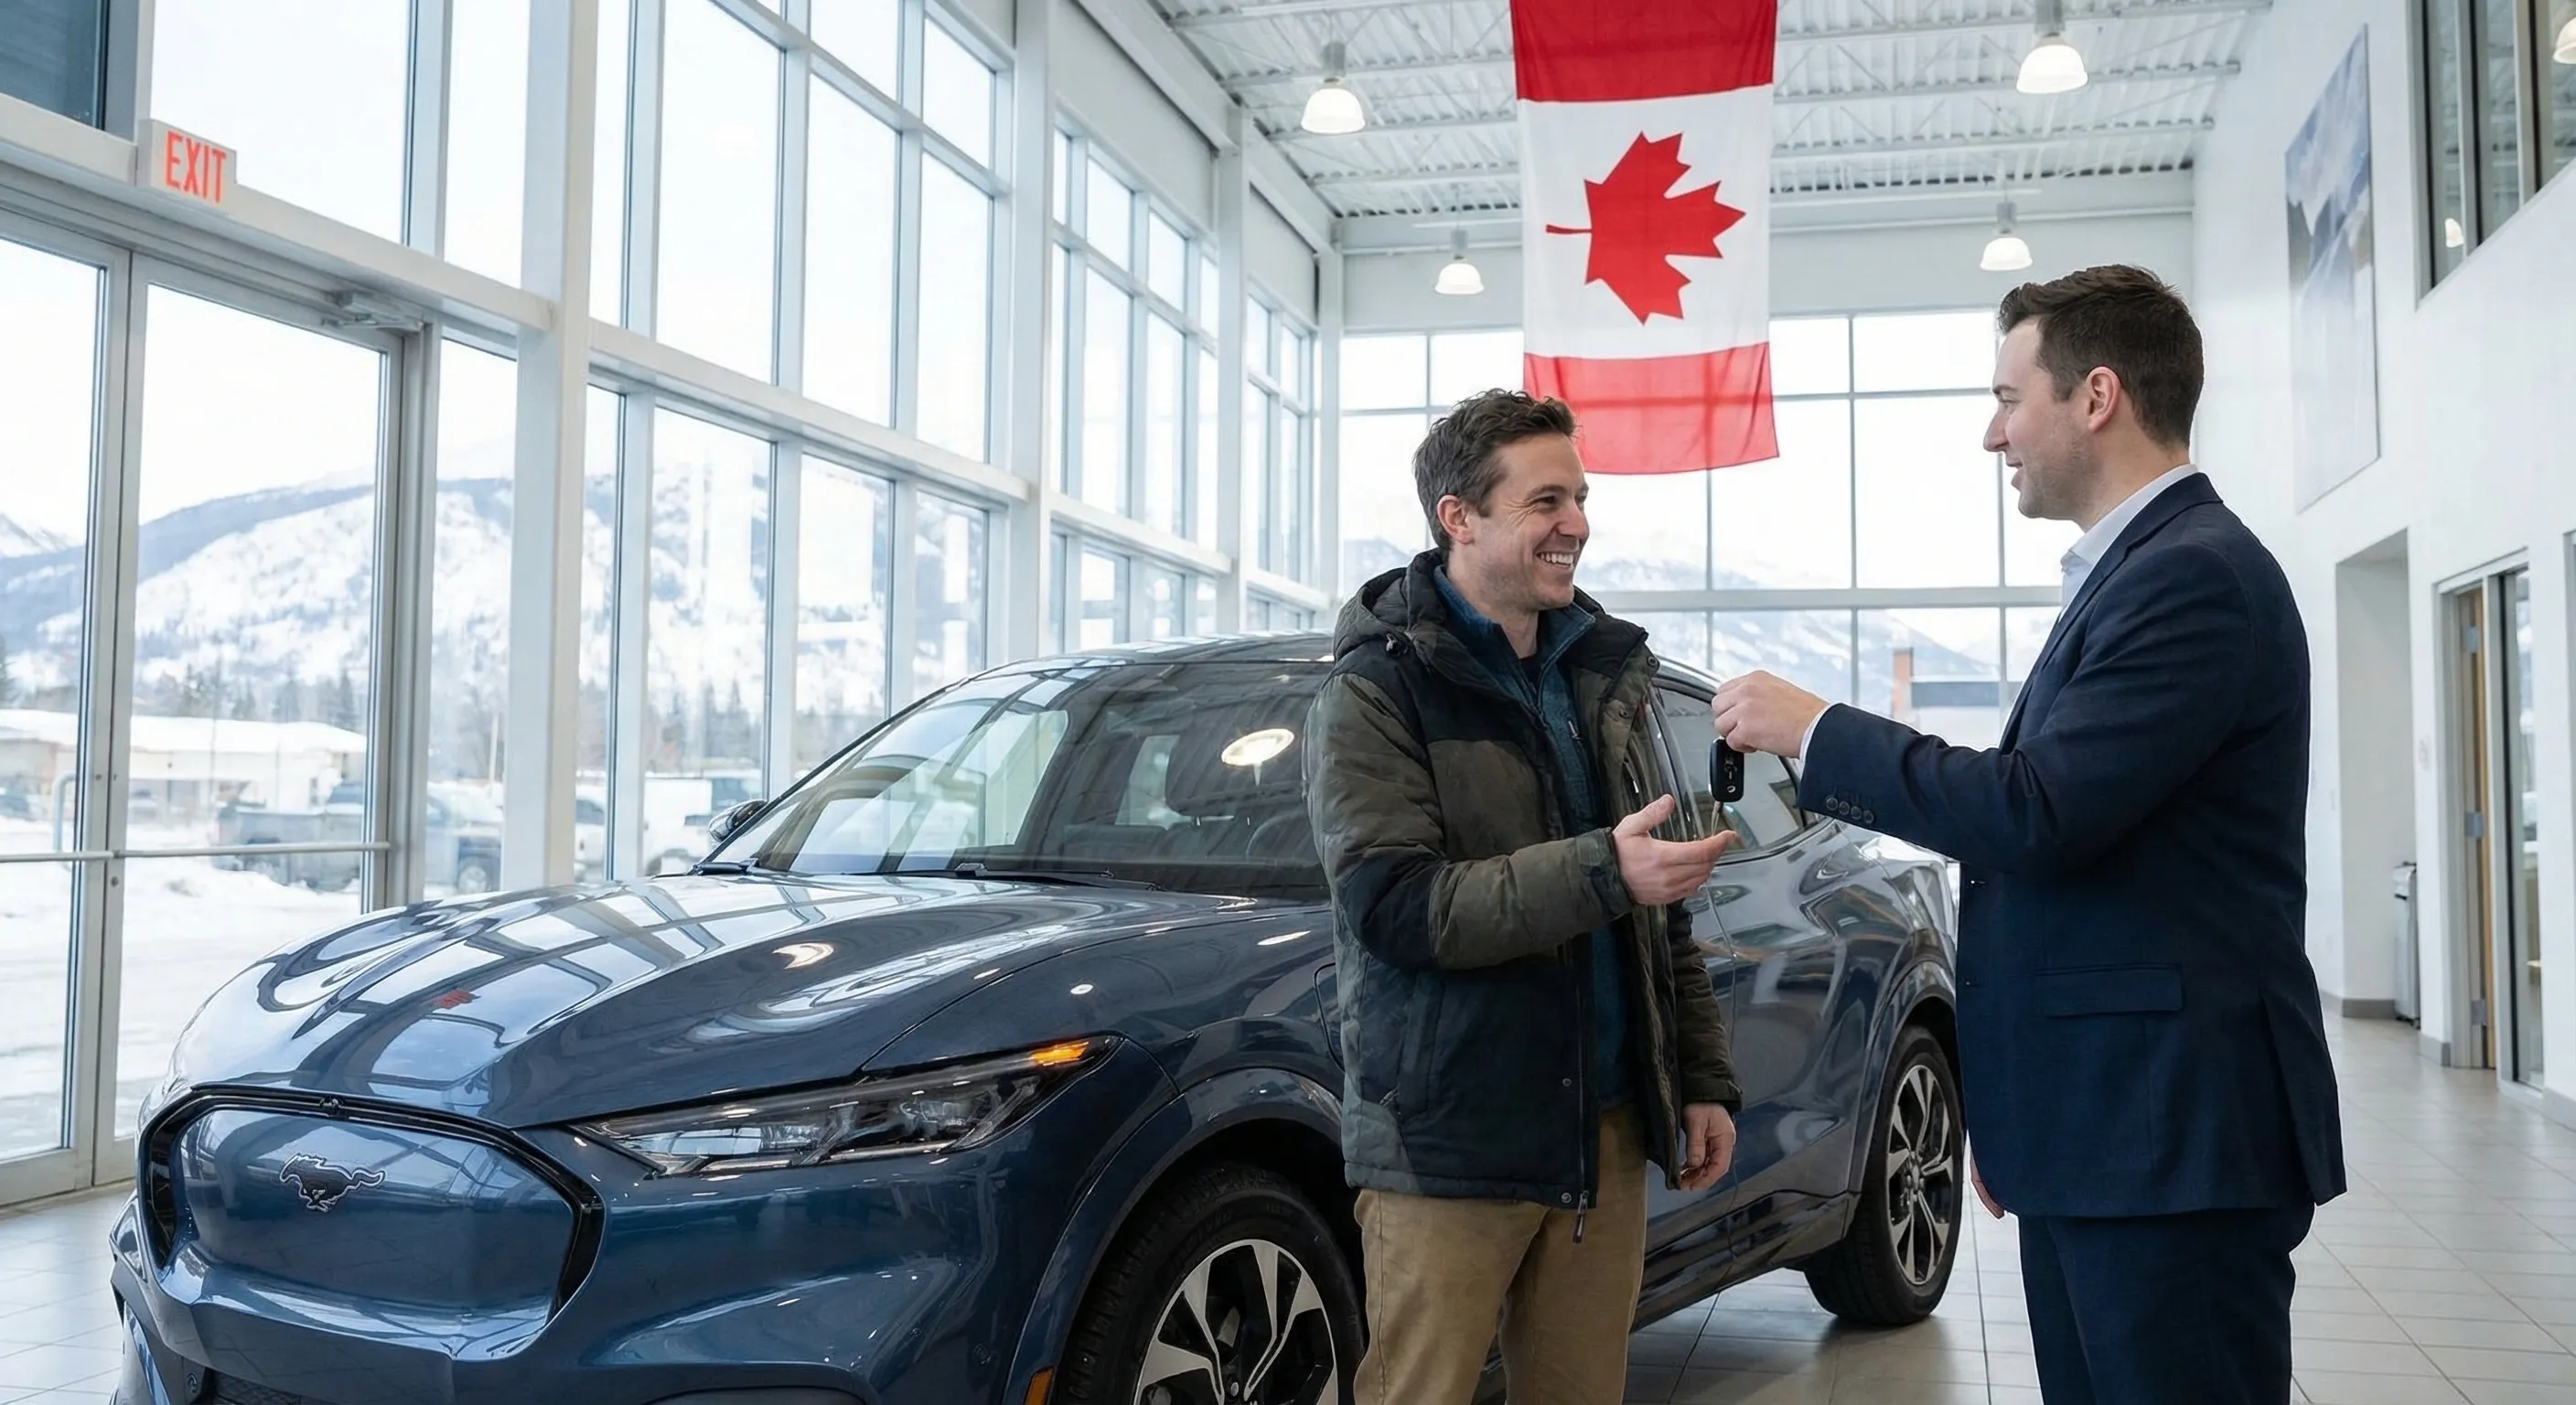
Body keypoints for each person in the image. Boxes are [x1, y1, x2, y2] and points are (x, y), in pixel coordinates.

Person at [1711, 265, 2345, 1405]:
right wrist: (2021, 1119)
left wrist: (1819, 732)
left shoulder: (2190, 580)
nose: (1990, 434)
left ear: (2094, 397)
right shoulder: (2138, 576)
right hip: (2105, 1129)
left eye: (2009, 398)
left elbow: (2035, 812)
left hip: (2166, 1140)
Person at [1305, 389, 1743, 1405]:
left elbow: (1657, 902)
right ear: (1458, 517)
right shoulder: (1376, 691)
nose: (1577, 525)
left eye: (1580, 499)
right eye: (1547, 500)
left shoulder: (1601, 675)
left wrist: (1699, 1076)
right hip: (1448, 1143)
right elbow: (1400, 910)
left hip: (1603, 1134)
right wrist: (1602, 870)